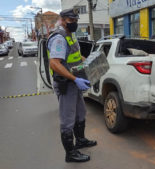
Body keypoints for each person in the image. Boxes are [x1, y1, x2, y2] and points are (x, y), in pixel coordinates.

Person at [47, 8, 97, 163]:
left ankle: (80, 140)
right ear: (62, 20)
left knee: (80, 113)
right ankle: (70, 154)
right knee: (67, 119)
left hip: (74, 82)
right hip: (66, 84)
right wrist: (75, 80)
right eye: (71, 20)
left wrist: (89, 62)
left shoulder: (70, 35)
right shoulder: (59, 38)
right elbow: (55, 64)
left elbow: (76, 55)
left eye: (75, 20)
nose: (74, 23)